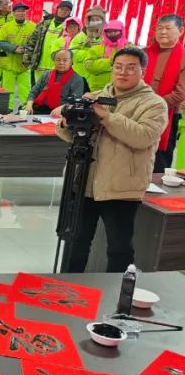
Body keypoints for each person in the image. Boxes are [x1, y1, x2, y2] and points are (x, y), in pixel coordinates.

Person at [54, 46, 167, 273]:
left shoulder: (153, 103)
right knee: (76, 242)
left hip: (121, 187)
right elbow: (69, 135)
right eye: (118, 67)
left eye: (131, 68)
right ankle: (67, 287)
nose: (123, 72)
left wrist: (107, 117)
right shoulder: (95, 97)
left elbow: (143, 137)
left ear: (143, 71)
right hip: (84, 181)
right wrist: (67, 122)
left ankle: (117, 291)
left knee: (119, 248)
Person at [145, 14, 185, 171]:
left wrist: (153, 105)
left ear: (181, 31)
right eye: (159, 28)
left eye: (168, 28)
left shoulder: (183, 56)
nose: (162, 32)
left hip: (166, 114)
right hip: (138, 111)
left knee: (159, 162)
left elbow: (180, 93)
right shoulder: (145, 53)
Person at [0, 2, 37, 111]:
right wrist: (14, 48)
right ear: (13, 13)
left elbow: (36, 42)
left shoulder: (33, 26)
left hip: (25, 65)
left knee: (26, 90)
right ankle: (7, 109)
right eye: (18, 11)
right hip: (8, 64)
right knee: (7, 90)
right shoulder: (6, 27)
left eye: (23, 11)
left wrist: (24, 48)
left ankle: (25, 109)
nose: (21, 13)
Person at [25, 49, 86, 115]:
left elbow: (76, 102)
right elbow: (34, 92)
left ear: (71, 62)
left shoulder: (77, 79)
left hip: (62, 113)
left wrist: (62, 108)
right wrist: (29, 104)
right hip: (39, 108)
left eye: (65, 60)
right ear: (54, 61)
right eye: (58, 60)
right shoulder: (46, 74)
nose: (61, 63)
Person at [78, 19, 130, 94]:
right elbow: (88, 66)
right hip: (98, 90)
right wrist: (110, 62)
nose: (112, 34)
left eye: (115, 31)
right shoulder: (96, 48)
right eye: (109, 32)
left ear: (122, 31)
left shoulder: (129, 49)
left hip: (123, 90)